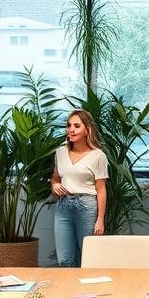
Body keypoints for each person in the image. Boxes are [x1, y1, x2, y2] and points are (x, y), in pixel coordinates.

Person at [52, 109, 108, 267]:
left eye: (77, 125)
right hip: (63, 207)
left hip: (86, 207)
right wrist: (55, 185)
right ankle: (67, 291)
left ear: (87, 129)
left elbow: (101, 189)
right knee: (64, 260)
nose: (71, 129)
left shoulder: (98, 156)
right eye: (69, 125)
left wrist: (100, 220)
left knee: (88, 258)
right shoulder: (61, 152)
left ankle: (89, 290)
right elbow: (56, 177)